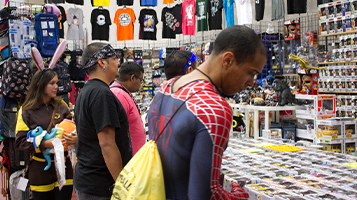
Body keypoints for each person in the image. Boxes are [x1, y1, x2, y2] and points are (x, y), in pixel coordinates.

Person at [148, 25, 267, 199]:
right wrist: (240, 195)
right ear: (227, 60)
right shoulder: (214, 107)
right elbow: (204, 194)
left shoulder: (167, 87)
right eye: (251, 72)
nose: (251, 82)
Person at [73, 43, 131, 199]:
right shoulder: (101, 94)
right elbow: (107, 144)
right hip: (99, 185)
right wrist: (122, 185)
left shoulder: (88, 90)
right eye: (114, 58)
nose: (118, 62)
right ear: (101, 62)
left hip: (91, 181)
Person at [15, 69, 74, 200]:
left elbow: (72, 129)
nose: (56, 87)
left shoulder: (62, 106)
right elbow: (20, 141)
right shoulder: (26, 110)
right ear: (40, 84)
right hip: (40, 169)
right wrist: (45, 143)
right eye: (51, 83)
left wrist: (74, 139)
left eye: (57, 83)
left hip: (65, 170)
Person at [110, 62, 146, 156]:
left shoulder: (123, 92)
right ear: (132, 78)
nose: (141, 83)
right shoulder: (119, 95)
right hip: (128, 159)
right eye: (141, 79)